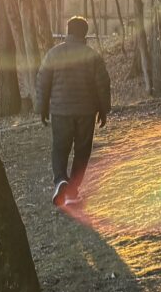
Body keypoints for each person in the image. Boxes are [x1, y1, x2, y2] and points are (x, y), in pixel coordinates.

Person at [36, 16, 112, 206]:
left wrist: (42, 108)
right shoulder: (92, 55)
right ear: (85, 33)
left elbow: (43, 83)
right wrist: (103, 110)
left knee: (60, 147)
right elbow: (103, 84)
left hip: (60, 110)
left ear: (68, 31)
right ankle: (72, 190)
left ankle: (60, 179)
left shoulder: (53, 54)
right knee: (82, 150)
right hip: (86, 111)